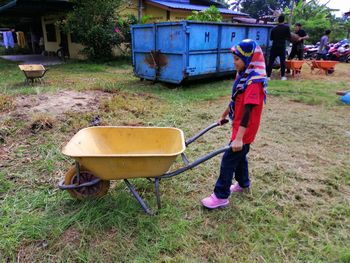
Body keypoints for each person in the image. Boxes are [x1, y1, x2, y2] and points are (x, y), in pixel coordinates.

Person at [201, 39, 267, 209]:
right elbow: (235, 100)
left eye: (237, 59)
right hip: (238, 126)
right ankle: (244, 183)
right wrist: (223, 116)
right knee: (240, 157)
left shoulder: (254, 82)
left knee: (229, 160)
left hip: (244, 129)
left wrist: (239, 138)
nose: (234, 62)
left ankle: (220, 196)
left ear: (248, 59)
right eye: (234, 58)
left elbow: (248, 110)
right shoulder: (244, 76)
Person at [266, 14, 291, 81]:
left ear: (278, 20)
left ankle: (268, 76)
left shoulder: (274, 29)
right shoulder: (286, 28)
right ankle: (282, 76)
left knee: (271, 61)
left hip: (274, 46)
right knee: (282, 62)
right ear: (284, 20)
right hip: (282, 46)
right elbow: (289, 37)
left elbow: (271, 38)